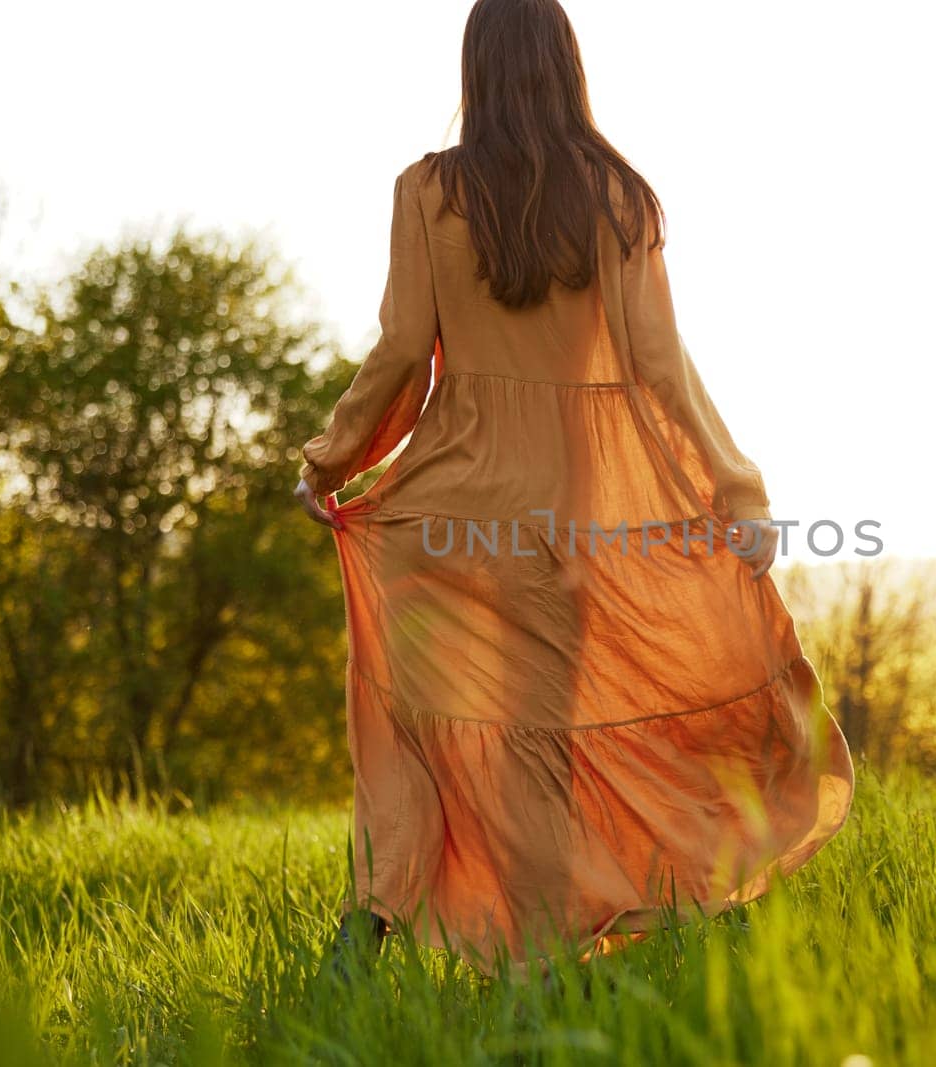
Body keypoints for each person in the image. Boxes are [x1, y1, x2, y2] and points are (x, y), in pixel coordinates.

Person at [294, 0, 854, 979]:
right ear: (566, 65)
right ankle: (585, 944)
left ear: (475, 68)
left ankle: (368, 935)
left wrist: (333, 460)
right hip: (562, 527)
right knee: (551, 742)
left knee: (416, 732)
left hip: (447, 514)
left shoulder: (428, 190)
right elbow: (660, 368)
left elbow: (400, 354)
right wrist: (737, 486)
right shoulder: (618, 198)